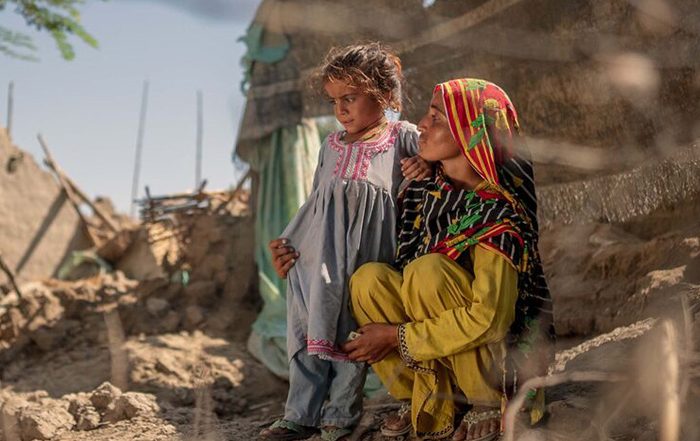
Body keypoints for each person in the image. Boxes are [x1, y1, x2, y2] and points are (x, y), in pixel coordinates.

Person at [343, 78, 555, 441]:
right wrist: (297, 254)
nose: (422, 125)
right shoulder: (422, 193)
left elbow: (491, 319)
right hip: (436, 347)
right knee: (369, 279)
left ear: (472, 132)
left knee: (428, 272)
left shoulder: (499, 212)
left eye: (437, 118)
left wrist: (397, 337)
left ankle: (485, 400)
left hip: (499, 363)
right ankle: (424, 397)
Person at [260, 43, 432, 441]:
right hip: (316, 254)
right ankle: (299, 415)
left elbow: (434, 173)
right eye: (335, 100)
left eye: (350, 98)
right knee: (306, 327)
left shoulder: (401, 137)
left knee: (351, 333)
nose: (341, 110)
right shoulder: (330, 146)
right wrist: (289, 245)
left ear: (385, 97)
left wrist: (424, 165)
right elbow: (316, 202)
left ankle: (339, 418)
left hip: (365, 258)